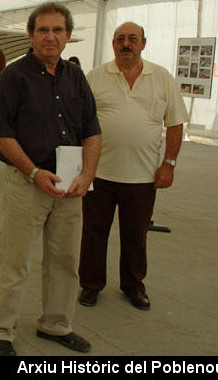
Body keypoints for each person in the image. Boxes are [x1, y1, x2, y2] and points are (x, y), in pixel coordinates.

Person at [0, 2, 101, 356]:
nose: (51, 36)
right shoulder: (12, 77)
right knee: (16, 261)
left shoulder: (76, 77)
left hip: (70, 185)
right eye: (43, 30)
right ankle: (2, 331)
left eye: (58, 30)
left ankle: (56, 325)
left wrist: (87, 174)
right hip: (28, 182)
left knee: (65, 260)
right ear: (31, 35)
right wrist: (33, 172)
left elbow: (92, 131)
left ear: (67, 36)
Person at [78, 22, 189, 310]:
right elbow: (79, 121)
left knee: (136, 235)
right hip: (98, 172)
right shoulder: (96, 76)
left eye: (132, 39)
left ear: (143, 43)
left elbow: (175, 122)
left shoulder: (161, 77)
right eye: (120, 39)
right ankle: (90, 285)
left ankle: (133, 286)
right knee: (93, 233)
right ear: (113, 44)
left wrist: (169, 163)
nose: (126, 44)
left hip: (143, 176)